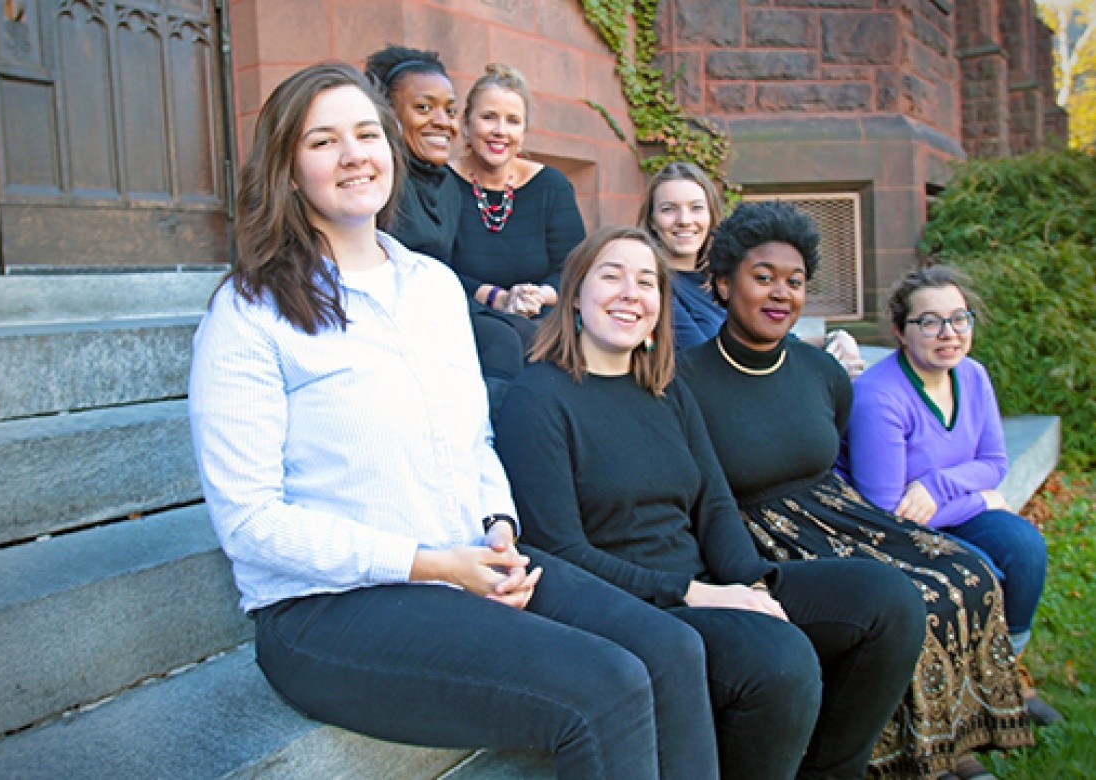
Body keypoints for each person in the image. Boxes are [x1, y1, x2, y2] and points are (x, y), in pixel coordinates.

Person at [188, 62, 719, 780]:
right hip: (333, 611)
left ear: (392, 151)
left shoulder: (434, 288)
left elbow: (474, 441)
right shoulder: (250, 312)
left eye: (367, 134)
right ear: (287, 170)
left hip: (468, 561)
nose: (353, 155)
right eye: (323, 141)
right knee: (608, 687)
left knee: (674, 650)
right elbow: (250, 523)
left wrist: (498, 525)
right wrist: (436, 564)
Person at [495, 225, 925, 780]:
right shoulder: (538, 399)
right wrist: (697, 594)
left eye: (647, 281)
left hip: (705, 584)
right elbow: (559, 550)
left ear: (660, 306)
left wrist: (750, 584)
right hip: (635, 610)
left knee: (888, 601)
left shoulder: (666, 388)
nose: (631, 292)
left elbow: (715, 504)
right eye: (612, 276)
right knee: (777, 661)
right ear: (575, 292)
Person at [676, 201, 1034, 779]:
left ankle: (946, 745)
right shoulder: (683, 377)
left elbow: (835, 452)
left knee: (967, 569)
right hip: (754, 531)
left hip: (840, 513)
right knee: (907, 594)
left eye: (794, 282)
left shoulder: (821, 372)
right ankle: (883, 759)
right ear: (721, 282)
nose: (780, 293)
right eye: (761, 277)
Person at [839, 264, 1059, 727]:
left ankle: (1006, 674)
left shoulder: (973, 376)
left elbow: (994, 463)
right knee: (978, 572)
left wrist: (938, 488)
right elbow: (887, 511)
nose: (949, 333)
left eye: (959, 318)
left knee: (1024, 547)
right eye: (930, 321)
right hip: (887, 532)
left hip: (942, 511)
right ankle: (959, 699)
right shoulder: (879, 396)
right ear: (900, 331)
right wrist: (980, 498)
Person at [363, 46, 522, 414]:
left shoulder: (447, 185)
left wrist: (497, 297)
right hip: (388, 317)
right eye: (423, 108)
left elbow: (445, 268)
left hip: (436, 305)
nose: (442, 121)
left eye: (450, 111)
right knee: (500, 340)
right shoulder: (376, 180)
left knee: (521, 334)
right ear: (387, 113)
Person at [637, 161, 864, 377]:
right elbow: (711, 362)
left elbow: (770, 336)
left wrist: (833, 339)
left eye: (696, 208)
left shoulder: (722, 278)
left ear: (710, 215)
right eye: (669, 209)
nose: (684, 220)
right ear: (652, 220)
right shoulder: (654, 287)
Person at [448, 62, 586, 348]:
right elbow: (430, 267)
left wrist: (537, 295)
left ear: (523, 132)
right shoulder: (440, 184)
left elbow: (575, 269)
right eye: (488, 117)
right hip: (461, 323)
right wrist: (497, 297)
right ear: (465, 124)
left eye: (512, 120)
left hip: (540, 324)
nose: (500, 131)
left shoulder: (552, 186)